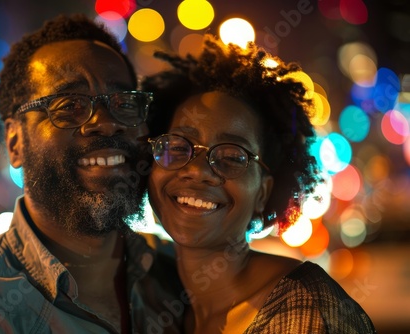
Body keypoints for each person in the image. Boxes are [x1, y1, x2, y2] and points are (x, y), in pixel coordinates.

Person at [0, 14, 185, 333]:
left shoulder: (182, 275)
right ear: (14, 142)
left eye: (124, 103)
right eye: (69, 105)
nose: (107, 123)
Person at [142, 35, 377, 333]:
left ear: (263, 193)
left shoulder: (302, 313)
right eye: (178, 147)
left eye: (231, 156)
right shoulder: (153, 294)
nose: (198, 170)